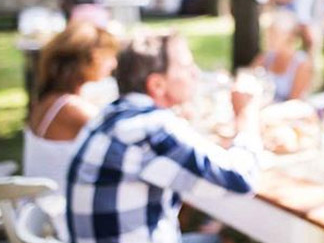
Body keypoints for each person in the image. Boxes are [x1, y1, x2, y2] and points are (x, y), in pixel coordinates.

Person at [67, 32, 262, 243]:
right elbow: (242, 180)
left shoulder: (110, 115)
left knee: (219, 238)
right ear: (157, 85)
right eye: (186, 66)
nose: (195, 73)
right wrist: (247, 113)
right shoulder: (152, 129)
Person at [23, 21, 119, 240]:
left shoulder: (47, 101)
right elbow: (120, 139)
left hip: (41, 211)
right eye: (109, 56)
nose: (113, 64)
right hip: (59, 219)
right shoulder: (71, 109)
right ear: (92, 58)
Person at [251, 10, 313, 101]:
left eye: (273, 33)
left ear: (288, 36)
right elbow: (247, 78)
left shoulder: (302, 64)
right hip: (262, 107)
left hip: (287, 112)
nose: (268, 38)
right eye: (268, 33)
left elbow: (294, 101)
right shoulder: (266, 57)